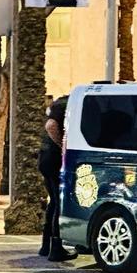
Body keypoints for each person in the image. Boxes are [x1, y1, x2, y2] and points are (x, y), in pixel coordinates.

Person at [38, 95, 77, 262]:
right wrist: (63, 147)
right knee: (58, 202)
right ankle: (55, 248)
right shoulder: (66, 103)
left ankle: (46, 245)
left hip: (46, 158)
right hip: (53, 160)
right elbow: (51, 125)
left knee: (54, 201)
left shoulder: (61, 102)